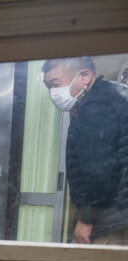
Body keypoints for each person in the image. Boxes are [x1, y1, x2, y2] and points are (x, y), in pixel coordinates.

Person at [42, 56, 128, 245]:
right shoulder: (112, 97)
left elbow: (99, 171)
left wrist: (87, 219)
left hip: (109, 219)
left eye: (56, 84)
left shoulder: (96, 107)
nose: (52, 92)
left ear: (85, 76)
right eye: (48, 86)